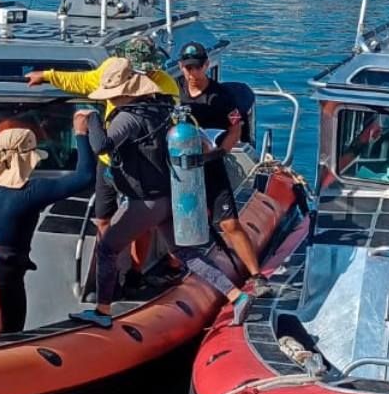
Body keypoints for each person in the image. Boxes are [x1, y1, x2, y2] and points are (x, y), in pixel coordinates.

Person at [27, 37, 178, 249]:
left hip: (145, 162)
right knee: (103, 217)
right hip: (109, 161)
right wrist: (47, 76)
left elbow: (173, 122)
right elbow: (83, 81)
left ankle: (136, 272)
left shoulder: (165, 85)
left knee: (144, 219)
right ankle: (108, 261)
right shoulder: (112, 72)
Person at [75, 58, 177, 328]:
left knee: (107, 249)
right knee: (188, 253)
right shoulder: (161, 107)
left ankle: (102, 311)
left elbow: (102, 146)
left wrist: (93, 119)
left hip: (144, 199)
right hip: (167, 193)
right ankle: (234, 294)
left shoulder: (128, 116)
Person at [0, 113, 98, 332]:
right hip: (6, 277)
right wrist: (80, 133)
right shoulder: (31, 192)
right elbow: (85, 176)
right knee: (10, 330)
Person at [174, 41, 265, 283]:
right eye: (187, 68)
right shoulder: (173, 92)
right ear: (181, 67)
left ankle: (256, 275)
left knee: (229, 223)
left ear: (206, 66)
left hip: (211, 162)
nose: (192, 74)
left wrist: (221, 151)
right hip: (182, 167)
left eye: (196, 68)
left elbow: (236, 127)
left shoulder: (223, 97)